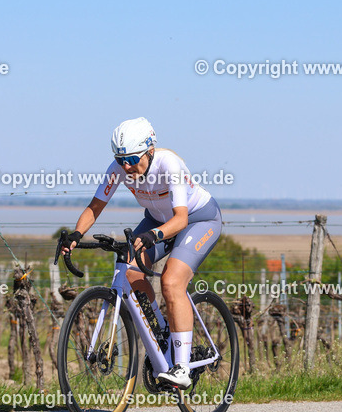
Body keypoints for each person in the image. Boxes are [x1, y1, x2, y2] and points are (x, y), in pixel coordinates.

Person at [61, 117, 222, 389]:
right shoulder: (119, 169)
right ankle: (161, 333)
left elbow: (180, 219)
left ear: (149, 151)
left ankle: (182, 366)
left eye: (132, 159)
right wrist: (75, 235)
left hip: (197, 220)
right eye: (120, 159)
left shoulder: (168, 164)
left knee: (171, 281)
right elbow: (95, 206)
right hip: (157, 222)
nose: (126, 166)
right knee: (129, 268)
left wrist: (154, 235)